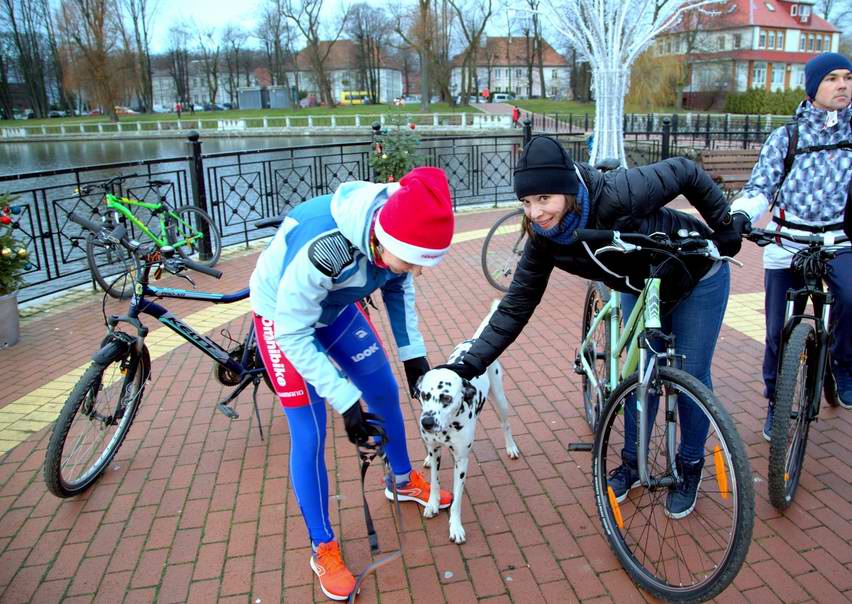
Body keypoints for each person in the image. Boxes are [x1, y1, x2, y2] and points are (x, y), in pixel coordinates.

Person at [439, 135, 746, 519]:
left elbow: (685, 171)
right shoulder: (543, 238)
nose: (535, 213)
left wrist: (724, 226)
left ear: (567, 190)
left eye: (544, 199)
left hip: (694, 271)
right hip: (641, 281)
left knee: (690, 374)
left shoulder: (617, 193)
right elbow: (515, 307)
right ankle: (633, 464)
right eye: (527, 202)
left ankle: (689, 468)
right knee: (642, 375)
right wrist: (468, 365)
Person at [249, 167, 454, 601]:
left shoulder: (397, 236)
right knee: (310, 428)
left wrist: (413, 355)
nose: (418, 272)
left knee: (383, 387)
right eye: (413, 262)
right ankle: (322, 544)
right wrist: (344, 401)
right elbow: (293, 333)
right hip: (283, 317)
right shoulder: (325, 249)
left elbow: (399, 288)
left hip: (333, 307)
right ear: (384, 242)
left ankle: (400, 481)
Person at [732, 52, 852, 440]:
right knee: (777, 332)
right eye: (832, 78)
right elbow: (761, 187)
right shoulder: (787, 137)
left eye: (848, 78)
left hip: (839, 240)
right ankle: (775, 402)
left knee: (850, 298)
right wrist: (742, 217)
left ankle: (842, 363)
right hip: (788, 241)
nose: (843, 86)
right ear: (814, 86)